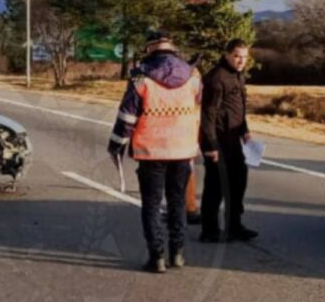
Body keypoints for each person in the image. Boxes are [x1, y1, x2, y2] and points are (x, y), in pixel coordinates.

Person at [107, 31, 201, 273]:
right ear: (172, 47)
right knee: (178, 202)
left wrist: (117, 144)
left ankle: (157, 257)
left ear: (149, 49)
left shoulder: (141, 77)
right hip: (182, 150)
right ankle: (178, 253)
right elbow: (199, 106)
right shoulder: (193, 75)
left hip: (151, 151)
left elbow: (128, 116)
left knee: (151, 204)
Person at [200, 39, 258, 242]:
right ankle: (209, 230)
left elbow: (237, 108)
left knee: (238, 181)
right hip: (217, 140)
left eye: (244, 57)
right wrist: (210, 146)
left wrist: (245, 131)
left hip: (234, 139)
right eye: (237, 56)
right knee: (215, 186)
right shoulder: (217, 78)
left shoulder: (238, 76)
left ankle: (234, 225)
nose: (241, 61)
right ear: (227, 54)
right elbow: (208, 114)